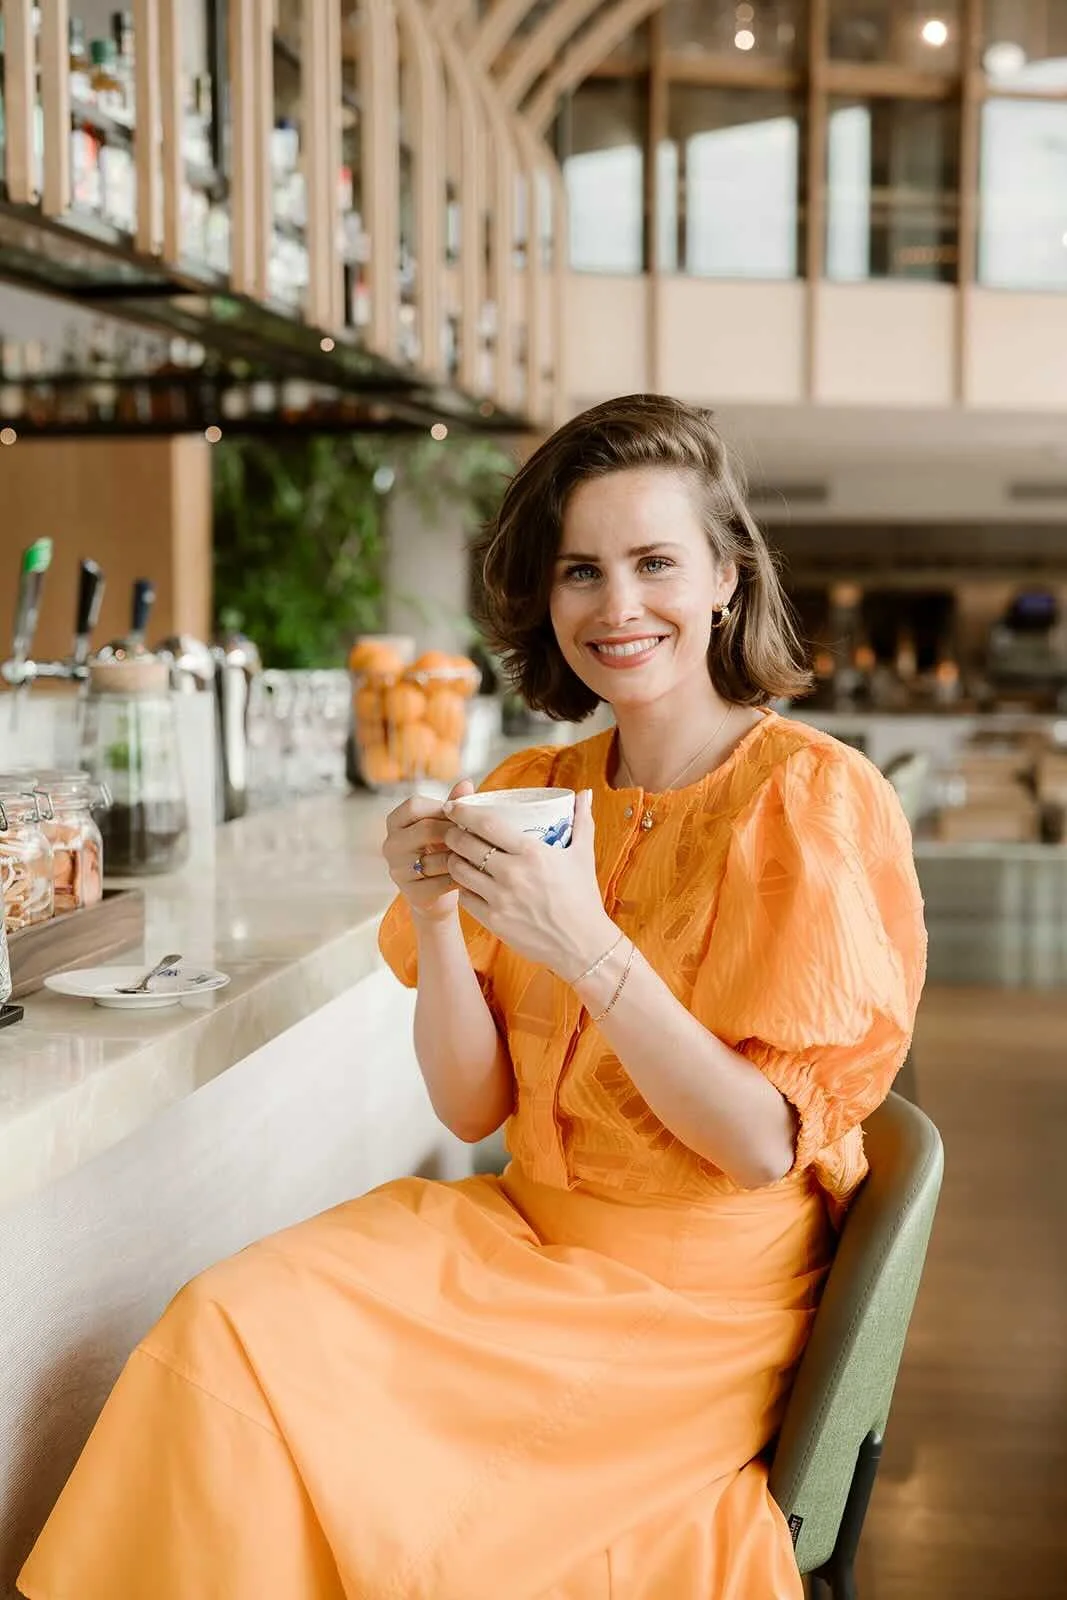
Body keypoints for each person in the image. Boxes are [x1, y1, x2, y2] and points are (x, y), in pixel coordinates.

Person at [19, 395, 926, 1599]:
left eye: (654, 562)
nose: (616, 605)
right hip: (519, 1238)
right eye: (580, 570)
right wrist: (438, 916)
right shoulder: (533, 784)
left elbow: (760, 1144)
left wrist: (587, 946)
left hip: (691, 1306)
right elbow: (468, 1106)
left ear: (724, 576)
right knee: (224, 1329)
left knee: (398, 1493)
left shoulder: (810, 800)